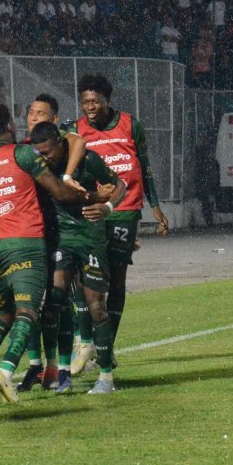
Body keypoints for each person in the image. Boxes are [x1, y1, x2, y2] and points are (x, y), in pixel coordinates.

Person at [0, 103, 110, 403]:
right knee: (29, 312)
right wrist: (94, 196)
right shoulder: (23, 153)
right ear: (10, 125)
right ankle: (7, 371)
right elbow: (60, 192)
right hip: (28, 243)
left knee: (4, 315)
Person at [67, 73, 169, 371]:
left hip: (125, 208)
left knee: (117, 278)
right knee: (88, 279)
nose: (90, 107)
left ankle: (106, 345)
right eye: (85, 102)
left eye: (95, 101)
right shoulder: (76, 129)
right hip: (94, 209)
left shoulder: (130, 124)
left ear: (107, 101)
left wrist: (156, 205)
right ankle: (89, 343)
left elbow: (145, 166)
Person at [28, 122, 126, 394]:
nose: (44, 158)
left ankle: (106, 377)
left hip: (91, 238)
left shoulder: (89, 160)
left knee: (96, 306)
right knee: (57, 300)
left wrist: (107, 207)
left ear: (60, 144)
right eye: (40, 153)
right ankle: (61, 373)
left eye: (47, 152)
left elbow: (120, 184)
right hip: (62, 239)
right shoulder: (41, 166)